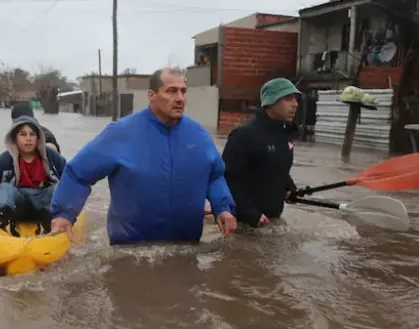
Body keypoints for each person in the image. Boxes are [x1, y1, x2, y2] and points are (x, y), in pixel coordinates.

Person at [49, 67, 237, 244]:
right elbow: (78, 173)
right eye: (171, 91)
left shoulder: (198, 135)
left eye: (183, 91)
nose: (180, 98)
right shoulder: (121, 133)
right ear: (152, 96)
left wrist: (223, 208)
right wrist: (64, 214)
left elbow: (214, 176)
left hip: (186, 248)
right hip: (131, 250)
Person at [221, 77, 300, 228]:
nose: (295, 104)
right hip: (245, 224)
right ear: (271, 101)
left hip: (271, 223)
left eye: (295, 99)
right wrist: (249, 213)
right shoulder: (245, 134)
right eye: (288, 98)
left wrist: (288, 187)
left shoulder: (285, 133)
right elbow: (227, 178)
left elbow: (276, 167)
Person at [0, 115, 66, 236]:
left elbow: (69, 176)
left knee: (59, 187)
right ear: (15, 138)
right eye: (23, 134)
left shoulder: (51, 156)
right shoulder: (4, 159)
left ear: (39, 138)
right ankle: (3, 220)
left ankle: (51, 219)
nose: (28, 139)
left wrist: (73, 205)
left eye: (32, 134)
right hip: (18, 204)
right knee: (4, 187)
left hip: (43, 202)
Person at [0, 103, 60, 169]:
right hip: (19, 166)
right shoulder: (14, 133)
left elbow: (52, 148)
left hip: (41, 169)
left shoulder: (43, 133)